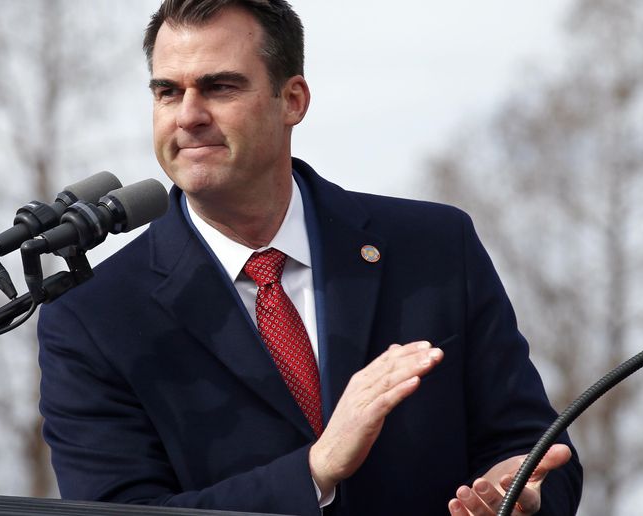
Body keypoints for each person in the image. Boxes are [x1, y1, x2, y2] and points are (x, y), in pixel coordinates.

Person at [37, 1, 583, 514]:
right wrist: (315, 471)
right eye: (167, 92)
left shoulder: (435, 247)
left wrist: (522, 494)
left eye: (219, 87)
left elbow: (533, 449)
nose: (188, 115)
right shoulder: (92, 317)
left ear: (292, 100)